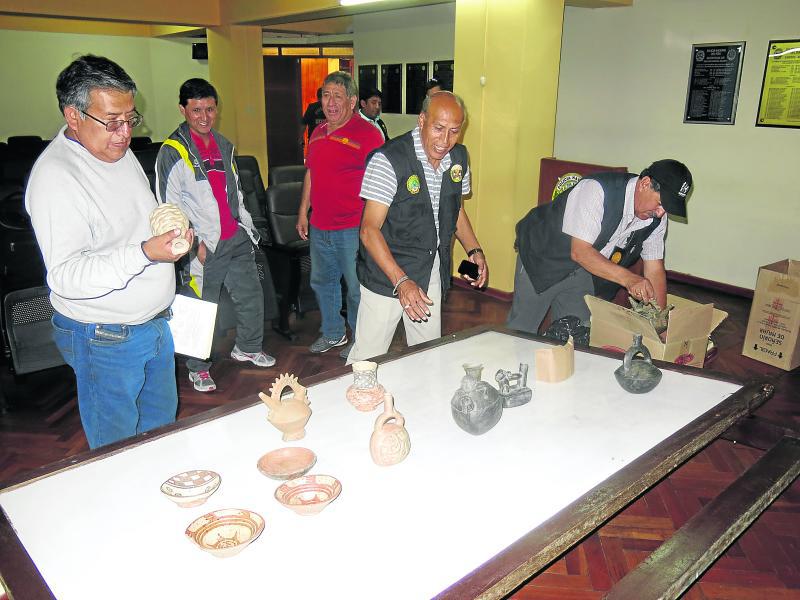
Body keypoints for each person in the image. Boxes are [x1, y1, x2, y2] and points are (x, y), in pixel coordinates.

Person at [25, 55, 193, 449]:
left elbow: (131, 221)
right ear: (73, 115)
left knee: (160, 437)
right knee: (116, 451)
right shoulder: (56, 178)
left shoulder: (115, 150)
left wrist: (169, 230)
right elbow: (66, 276)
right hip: (105, 337)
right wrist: (146, 253)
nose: (124, 133)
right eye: (112, 121)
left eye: (130, 119)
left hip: (153, 324)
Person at [347, 91, 488, 363]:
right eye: (438, 128)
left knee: (427, 353)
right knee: (367, 360)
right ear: (422, 120)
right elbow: (369, 230)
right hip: (385, 274)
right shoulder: (389, 159)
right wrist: (401, 281)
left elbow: (455, 209)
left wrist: (474, 250)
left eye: (454, 131)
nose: (445, 141)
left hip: (429, 269)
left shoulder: (458, 158)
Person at [156, 78, 275, 393]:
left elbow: (235, 192)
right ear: (183, 110)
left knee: (250, 295)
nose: (204, 117)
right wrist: (194, 245)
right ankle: (198, 369)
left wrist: (247, 229)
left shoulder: (224, 144)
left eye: (209, 109)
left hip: (235, 236)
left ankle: (248, 347)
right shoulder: (172, 151)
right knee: (200, 308)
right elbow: (168, 207)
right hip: (204, 245)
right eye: (196, 110)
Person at [507, 159, 693, 335]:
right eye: (660, 204)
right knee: (522, 331)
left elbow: (654, 269)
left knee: (576, 334)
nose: (660, 213)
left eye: (667, 208)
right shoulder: (596, 190)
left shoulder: (657, 218)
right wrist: (629, 279)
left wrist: (660, 323)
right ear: (645, 184)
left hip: (584, 270)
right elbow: (580, 252)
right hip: (544, 256)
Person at [297, 71, 384, 359]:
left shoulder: (369, 134)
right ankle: (333, 333)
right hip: (320, 225)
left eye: (337, 96)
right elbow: (311, 173)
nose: (330, 102)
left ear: (352, 101)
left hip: (352, 227)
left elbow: (381, 180)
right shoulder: (317, 133)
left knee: (357, 289)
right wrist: (303, 212)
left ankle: (361, 343)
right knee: (322, 283)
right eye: (326, 95)